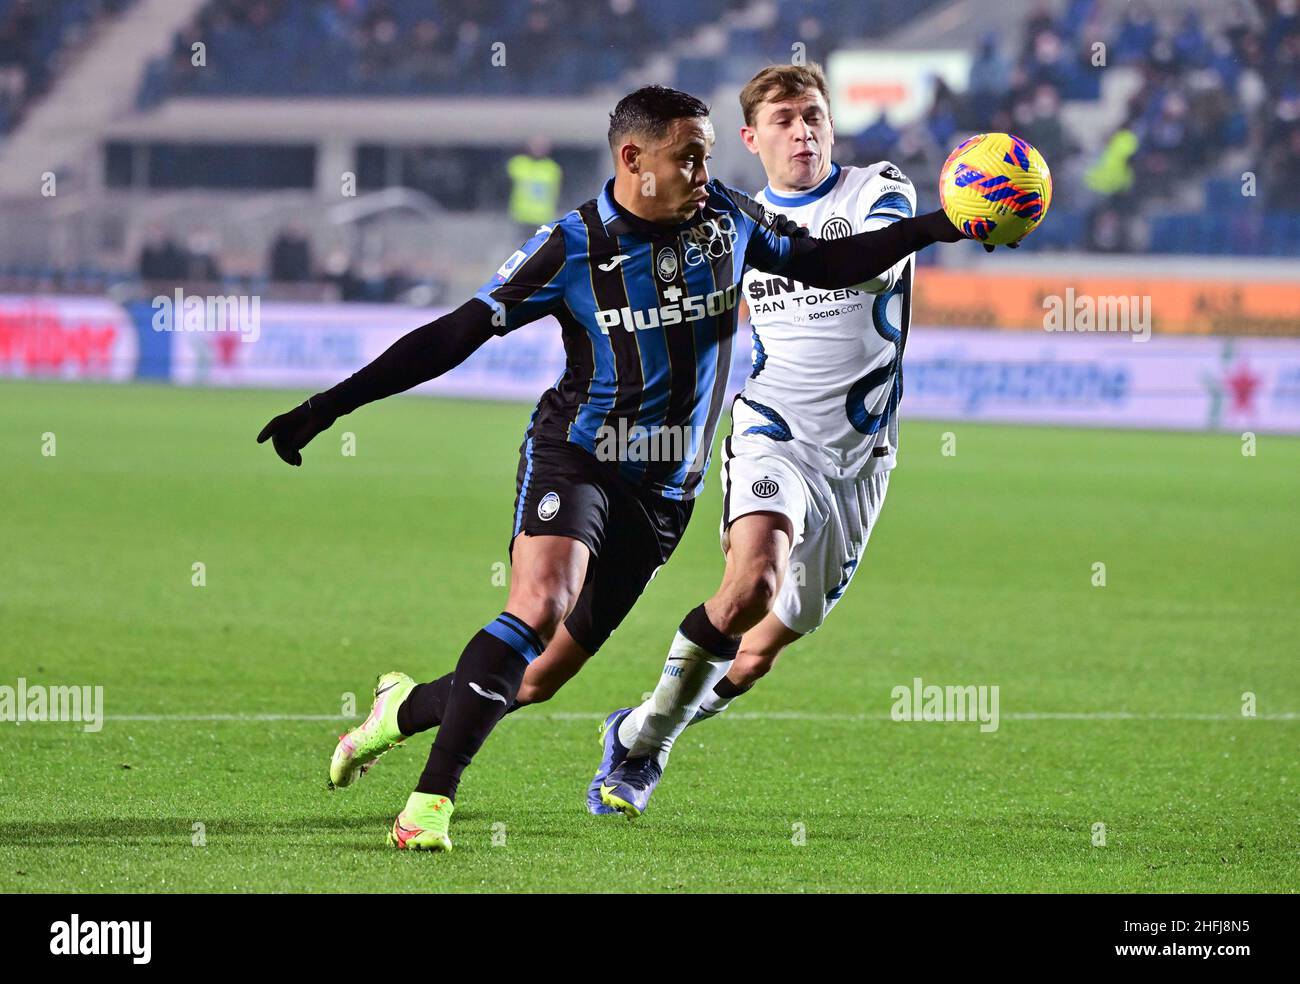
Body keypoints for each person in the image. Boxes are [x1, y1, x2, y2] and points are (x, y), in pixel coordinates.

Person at [257, 84, 965, 852]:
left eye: (706, 156)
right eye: (688, 158)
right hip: (580, 456)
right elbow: (453, 334)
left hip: (665, 494)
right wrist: (329, 407)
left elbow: (828, 262)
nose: (704, 172)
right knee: (539, 606)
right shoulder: (571, 247)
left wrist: (943, 225)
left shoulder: (725, 219)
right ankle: (430, 803)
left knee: (538, 678)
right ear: (634, 158)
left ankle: (397, 710)